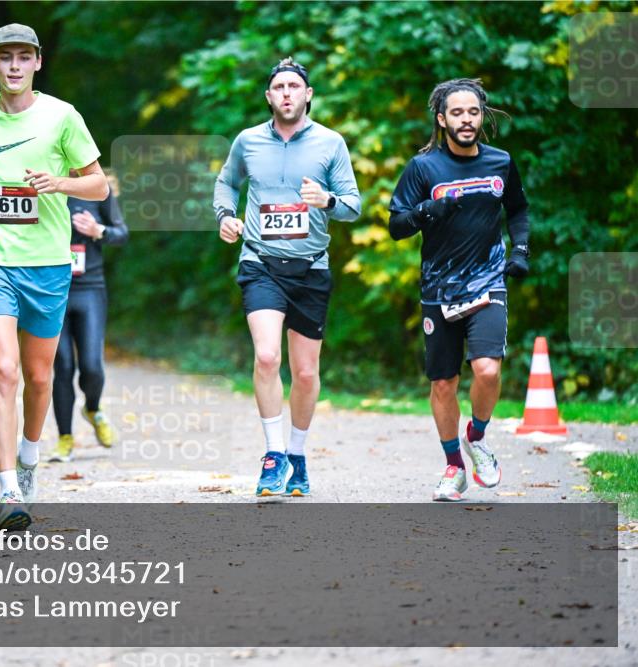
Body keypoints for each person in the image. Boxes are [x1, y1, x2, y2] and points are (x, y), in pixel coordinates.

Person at [0, 24, 108, 529]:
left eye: (24, 57)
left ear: (38, 63)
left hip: (47, 263)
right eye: (5, 57)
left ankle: (30, 459)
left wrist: (58, 183)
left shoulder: (62, 116)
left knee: (40, 377)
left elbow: (99, 185)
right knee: (5, 370)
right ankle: (8, 489)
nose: (14, 66)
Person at [214, 58, 361, 497]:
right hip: (260, 261)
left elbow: (354, 205)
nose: (286, 93)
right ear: (269, 96)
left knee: (306, 371)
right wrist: (225, 216)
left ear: (308, 94)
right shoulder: (248, 141)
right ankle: (274, 453)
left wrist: (327, 199)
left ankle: (297, 455)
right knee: (265, 357)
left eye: (294, 86)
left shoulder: (331, 143)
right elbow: (226, 184)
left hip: (311, 267)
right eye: (278, 87)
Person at [388, 78, 530, 502]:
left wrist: (519, 250)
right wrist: (428, 210)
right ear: (441, 118)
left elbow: (518, 209)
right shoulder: (424, 168)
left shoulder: (501, 162)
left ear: (481, 116)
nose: (466, 120)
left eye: (473, 112)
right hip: (438, 289)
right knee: (444, 384)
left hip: (488, 282)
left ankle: (477, 437)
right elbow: (396, 225)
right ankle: (453, 466)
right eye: (457, 113)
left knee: (487, 369)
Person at [50, 179, 129, 462]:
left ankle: (93, 408)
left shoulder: (99, 191)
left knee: (92, 367)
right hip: (51, 290)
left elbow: (122, 233)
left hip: (90, 289)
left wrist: (99, 231)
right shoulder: (43, 189)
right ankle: (64, 438)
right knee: (63, 366)